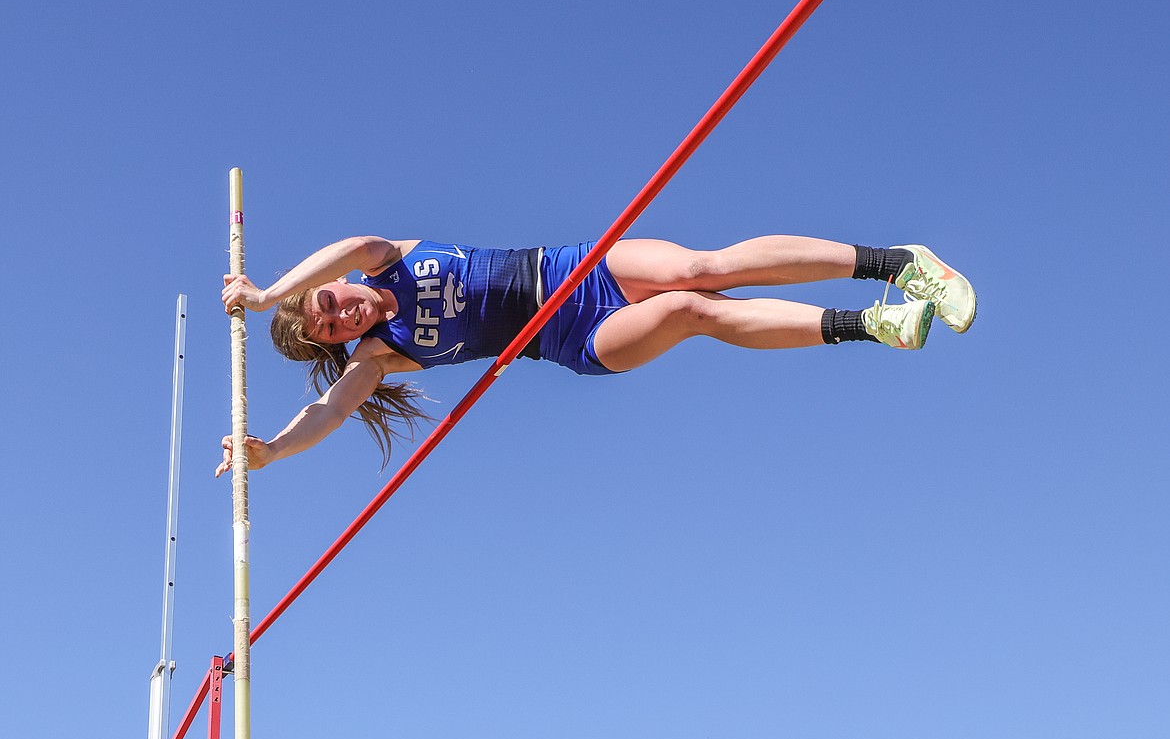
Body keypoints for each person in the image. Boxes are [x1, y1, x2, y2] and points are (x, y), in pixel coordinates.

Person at [215, 235, 976, 475]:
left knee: (699, 272)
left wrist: (265, 292)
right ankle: (872, 325)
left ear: (328, 285)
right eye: (329, 331)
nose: (339, 317)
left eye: (324, 303)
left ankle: (897, 263)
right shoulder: (380, 356)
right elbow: (329, 412)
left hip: (575, 269)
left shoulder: (384, 257)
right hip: (568, 338)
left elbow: (342, 246)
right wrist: (272, 450)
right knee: (689, 313)